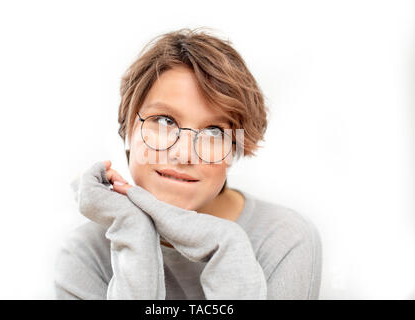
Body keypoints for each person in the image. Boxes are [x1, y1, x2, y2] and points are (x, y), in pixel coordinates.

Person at [53, 28, 322, 300]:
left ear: (234, 149)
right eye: (165, 121)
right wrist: (133, 230)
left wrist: (225, 245)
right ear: (128, 128)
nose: (183, 154)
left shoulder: (284, 239)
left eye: (214, 132)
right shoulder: (84, 255)